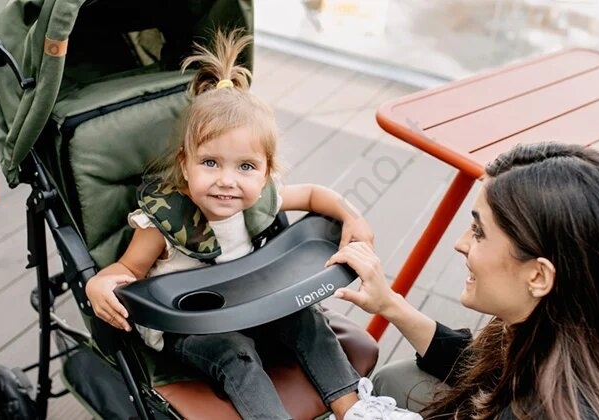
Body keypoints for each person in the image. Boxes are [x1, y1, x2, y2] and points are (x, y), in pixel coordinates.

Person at [85, 30, 420, 420]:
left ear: (265, 174)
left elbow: (315, 195)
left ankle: (355, 410)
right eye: (210, 163)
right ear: (184, 165)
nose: (227, 181)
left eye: (245, 166)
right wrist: (98, 284)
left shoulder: (258, 199)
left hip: (256, 305)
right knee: (235, 354)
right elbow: (127, 270)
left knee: (308, 320)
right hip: (194, 328)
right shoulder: (162, 224)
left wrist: (352, 217)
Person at [326, 143, 599, 419]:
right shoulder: (580, 344)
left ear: (538, 276)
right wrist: (389, 304)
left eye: (479, 232)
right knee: (397, 377)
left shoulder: (545, 409)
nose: (461, 243)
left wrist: (345, 399)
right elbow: (479, 367)